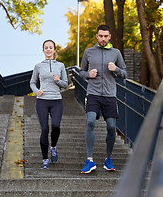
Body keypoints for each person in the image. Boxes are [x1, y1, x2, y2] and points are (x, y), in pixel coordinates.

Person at [79, 24, 127, 174]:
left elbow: (125, 73)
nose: (103, 39)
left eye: (106, 36)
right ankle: (89, 160)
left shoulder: (116, 53)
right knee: (91, 121)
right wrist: (88, 75)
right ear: (97, 36)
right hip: (93, 94)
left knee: (112, 126)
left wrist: (117, 70)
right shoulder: (88, 52)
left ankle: (108, 159)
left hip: (110, 95)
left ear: (110, 36)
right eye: (101, 36)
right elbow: (81, 71)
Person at [30, 39, 68, 169]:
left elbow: (66, 85)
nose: (48, 50)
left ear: (54, 50)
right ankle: (45, 159)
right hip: (42, 101)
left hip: (56, 100)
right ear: (43, 50)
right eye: (46, 47)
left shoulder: (61, 66)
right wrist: (36, 91)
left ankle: (53, 147)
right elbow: (32, 82)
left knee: (56, 126)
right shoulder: (38, 66)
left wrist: (58, 81)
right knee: (45, 129)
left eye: (50, 47)